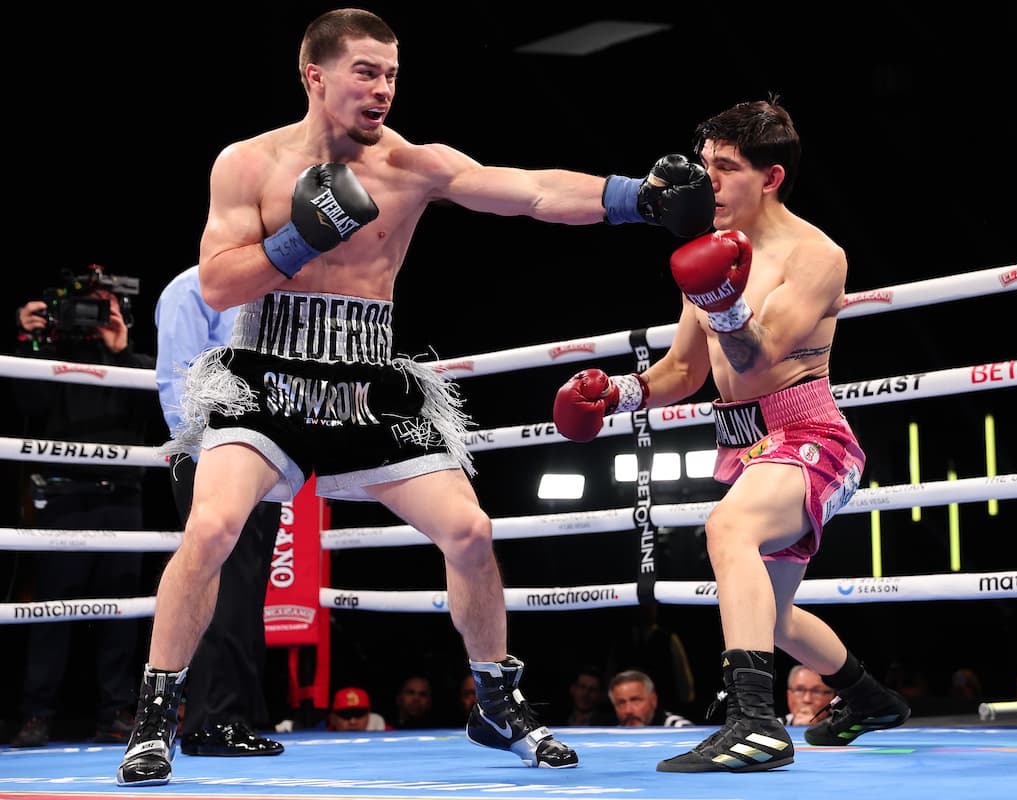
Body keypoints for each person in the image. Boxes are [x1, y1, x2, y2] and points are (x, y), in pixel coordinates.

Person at [116, 7, 714, 787]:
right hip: (266, 375)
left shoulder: (411, 164)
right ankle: (156, 719)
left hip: (368, 383)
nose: (383, 89)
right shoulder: (247, 164)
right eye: (366, 71)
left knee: (469, 530)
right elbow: (219, 280)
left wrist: (637, 197)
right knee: (213, 526)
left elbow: (528, 191)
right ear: (315, 75)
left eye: (393, 74)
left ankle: (497, 700)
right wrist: (300, 236)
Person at [553, 96, 910, 773]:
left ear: (770, 177)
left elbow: (762, 354)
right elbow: (686, 371)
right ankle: (869, 699)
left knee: (728, 530)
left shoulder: (815, 255)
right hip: (746, 446)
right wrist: (617, 394)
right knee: (770, 619)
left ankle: (754, 723)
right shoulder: (712, 251)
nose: (705, 181)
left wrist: (720, 297)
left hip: (808, 437)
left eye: (724, 168)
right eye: (704, 165)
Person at [9, 266, 156, 748]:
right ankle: (36, 714)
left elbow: (160, 409)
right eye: (86, 305)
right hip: (64, 494)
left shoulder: (131, 359)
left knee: (120, 615)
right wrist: (35, 339)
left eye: (104, 305)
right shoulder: (50, 353)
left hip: (122, 496)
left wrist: (121, 350)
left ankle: (116, 712)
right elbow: (27, 398)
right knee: (52, 612)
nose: (92, 315)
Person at [154, 265, 285, 758]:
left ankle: (236, 716)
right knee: (219, 585)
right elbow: (178, 380)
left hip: (265, 455)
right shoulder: (189, 289)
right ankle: (212, 722)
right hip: (208, 454)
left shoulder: (270, 289)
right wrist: (206, 452)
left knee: (247, 588)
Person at [608, 670, 693, 727]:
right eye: (621, 703)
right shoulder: (610, 735)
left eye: (635, 700)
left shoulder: (679, 728)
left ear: (653, 700)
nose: (628, 710)